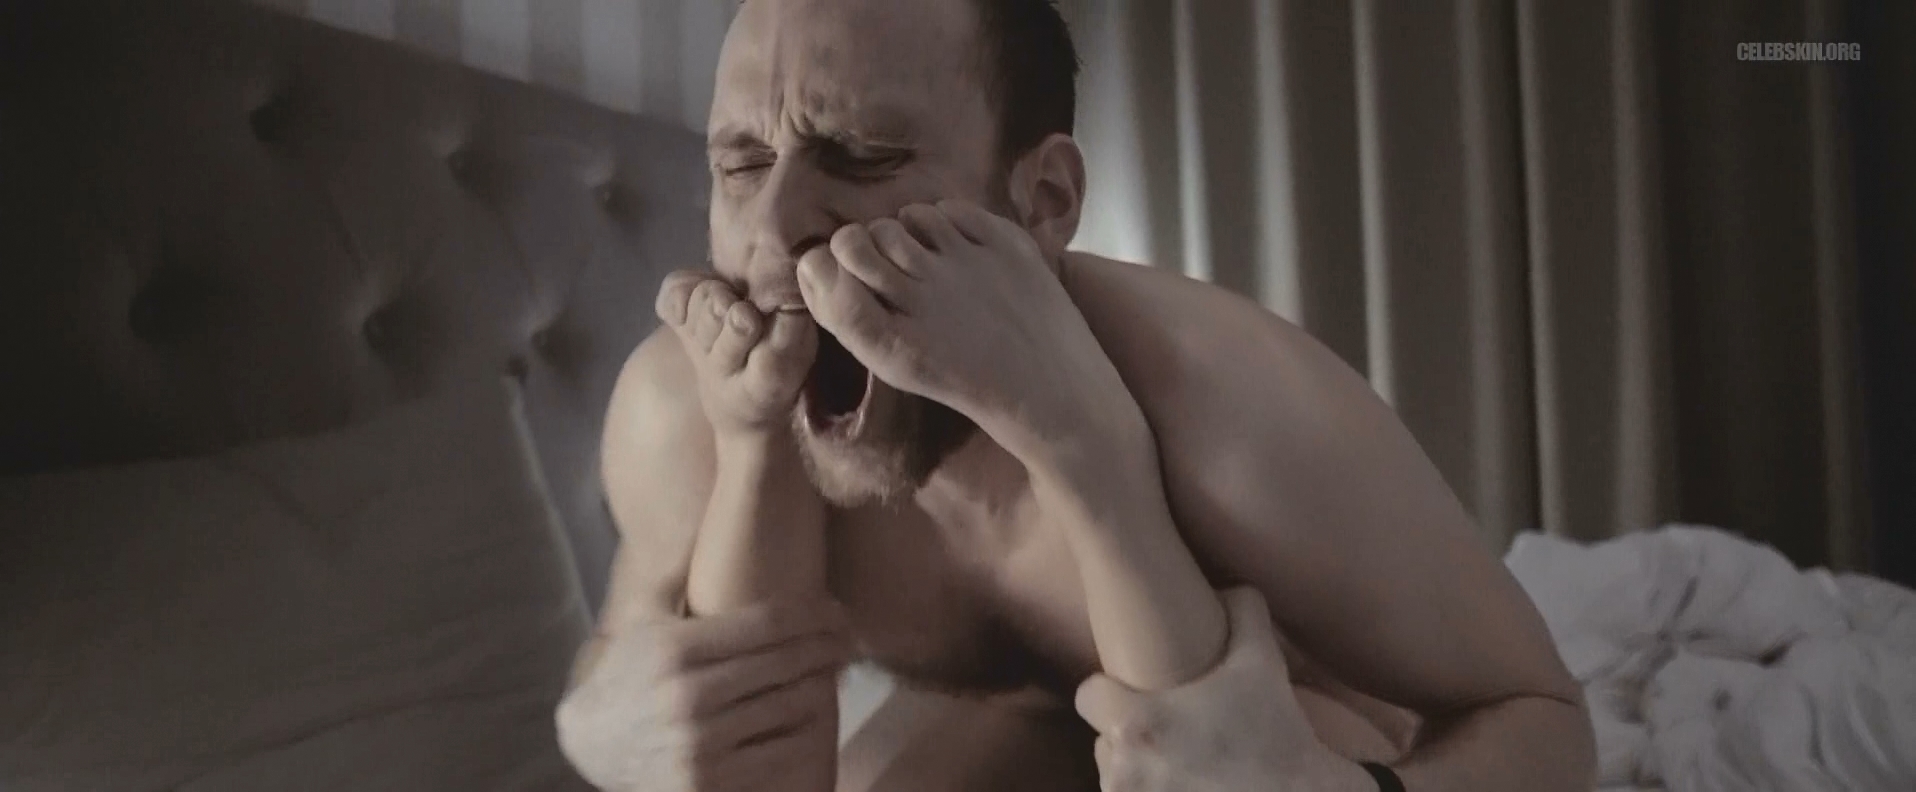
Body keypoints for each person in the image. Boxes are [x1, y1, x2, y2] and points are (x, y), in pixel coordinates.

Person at [555, 0, 1597, 789]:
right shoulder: (682, 419)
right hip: (989, 727)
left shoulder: (1225, 404)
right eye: (740, 164)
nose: (774, 229)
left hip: (1287, 738)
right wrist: (587, 724)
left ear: (1044, 200)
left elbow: (1546, 718)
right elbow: (627, 646)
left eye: (863, 155)